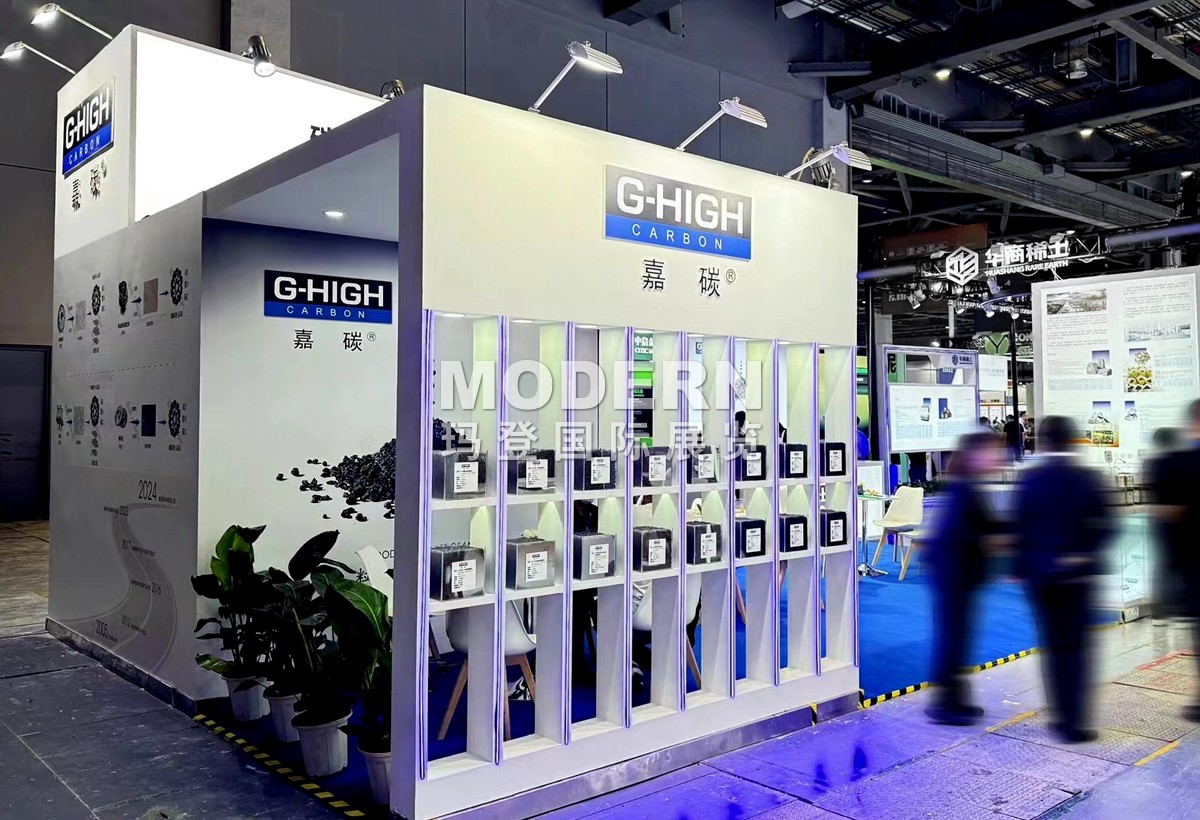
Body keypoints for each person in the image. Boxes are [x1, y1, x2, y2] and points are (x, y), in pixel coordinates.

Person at [1014, 416, 1114, 743]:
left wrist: (1021, 568)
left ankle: (1058, 715)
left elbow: (1019, 527)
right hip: (1077, 577)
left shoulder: (1029, 479)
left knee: (1052, 644)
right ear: (1072, 441)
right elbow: (1108, 526)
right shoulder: (1087, 478)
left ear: (1042, 442)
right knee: (1076, 647)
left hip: (1040, 577)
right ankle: (1074, 722)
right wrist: (1085, 555)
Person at [925, 431, 1003, 725]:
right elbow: (966, 533)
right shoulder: (964, 489)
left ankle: (956, 699)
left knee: (958, 636)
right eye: (992, 452)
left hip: (958, 574)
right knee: (953, 637)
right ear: (975, 455)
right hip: (953, 574)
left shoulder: (968, 486)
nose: (998, 458)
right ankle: (945, 703)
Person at [1146, 426, 1185, 627]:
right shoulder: (1176, 462)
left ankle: (1160, 613)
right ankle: (1179, 611)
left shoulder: (1152, 464)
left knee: (1162, 566)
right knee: (1177, 565)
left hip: (1158, 520)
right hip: (1177, 521)